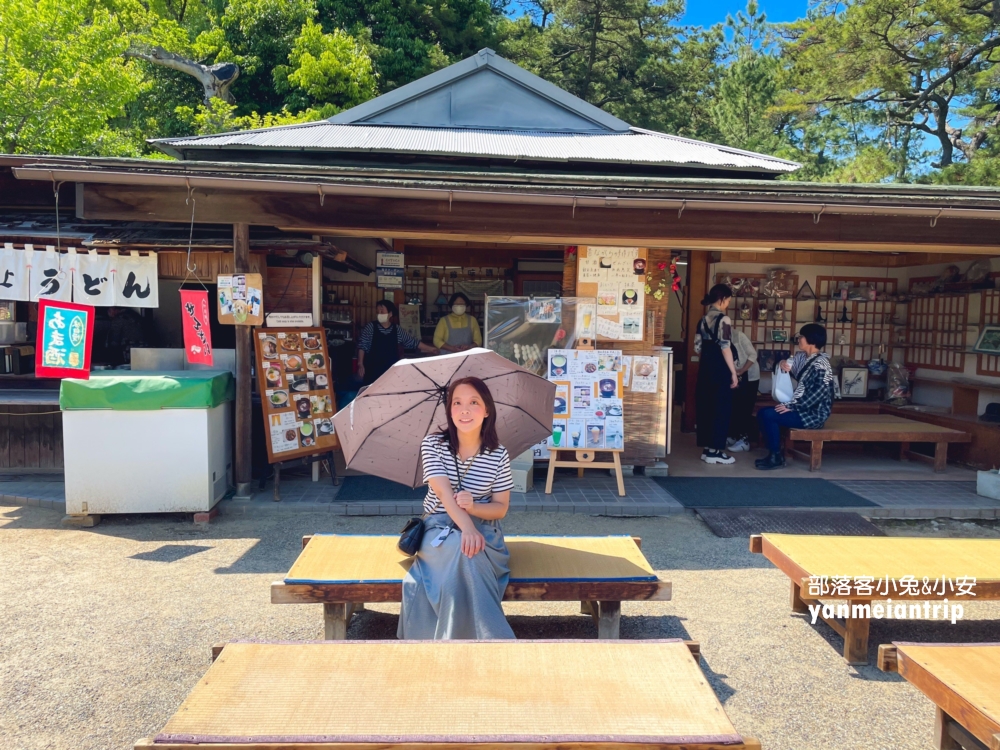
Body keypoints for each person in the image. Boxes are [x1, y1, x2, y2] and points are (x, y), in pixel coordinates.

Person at [398, 377, 515, 640]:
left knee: (468, 550)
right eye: (457, 403)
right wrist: (467, 529)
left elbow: (500, 509)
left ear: (486, 410)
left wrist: (474, 508)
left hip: (485, 529)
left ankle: (453, 640)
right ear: (449, 411)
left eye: (474, 403)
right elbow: (443, 493)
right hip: (437, 528)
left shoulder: (499, 454)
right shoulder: (433, 445)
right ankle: (491, 639)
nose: (464, 410)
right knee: (464, 550)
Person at [755, 323, 835, 470]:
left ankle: (776, 456)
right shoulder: (802, 357)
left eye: (801, 336)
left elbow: (818, 394)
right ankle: (775, 454)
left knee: (768, 415)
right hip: (801, 408)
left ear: (811, 338)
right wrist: (781, 363)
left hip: (813, 413)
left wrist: (791, 406)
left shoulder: (822, 364)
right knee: (762, 413)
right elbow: (785, 368)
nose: (798, 339)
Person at [694, 284, 740, 465]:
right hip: (721, 368)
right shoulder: (724, 320)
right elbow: (725, 346)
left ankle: (707, 449)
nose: (728, 303)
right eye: (728, 300)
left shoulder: (702, 320)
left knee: (706, 406)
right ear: (722, 299)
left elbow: (697, 347)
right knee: (721, 407)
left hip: (705, 367)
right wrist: (733, 372)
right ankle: (715, 451)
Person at [357, 300, 437, 385]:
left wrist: (431, 349)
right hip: (372, 370)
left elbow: (413, 342)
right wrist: (360, 364)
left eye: (382, 311)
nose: (379, 313)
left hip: (391, 370)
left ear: (390, 314)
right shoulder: (371, 327)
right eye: (377, 311)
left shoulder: (397, 329)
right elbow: (362, 346)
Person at [727, 328, 759, 452]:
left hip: (750, 376)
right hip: (734, 376)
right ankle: (733, 436)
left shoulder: (738, 335)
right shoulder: (718, 338)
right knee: (733, 407)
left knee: (745, 407)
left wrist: (742, 370)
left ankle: (744, 440)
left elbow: (753, 355)